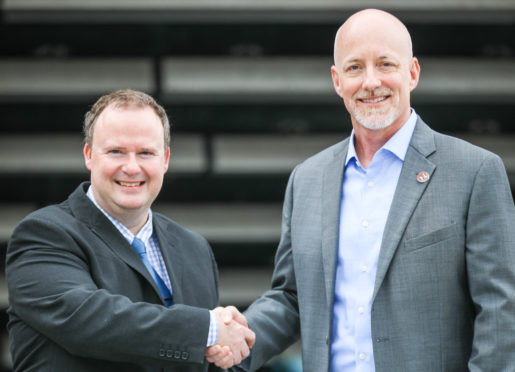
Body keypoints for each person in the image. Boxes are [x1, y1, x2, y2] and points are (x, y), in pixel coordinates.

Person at [206, 8, 515, 372]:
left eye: (385, 64)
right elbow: (292, 298)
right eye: (355, 68)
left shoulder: (475, 171)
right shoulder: (306, 179)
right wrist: (234, 337)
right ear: (337, 80)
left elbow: (501, 309)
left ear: (412, 72)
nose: (371, 82)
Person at [6, 89, 254, 372]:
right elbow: (89, 321)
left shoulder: (194, 249)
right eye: (116, 151)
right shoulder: (43, 235)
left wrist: (222, 349)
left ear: (165, 159)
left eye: (146, 153)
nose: (132, 167)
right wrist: (208, 330)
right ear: (89, 155)